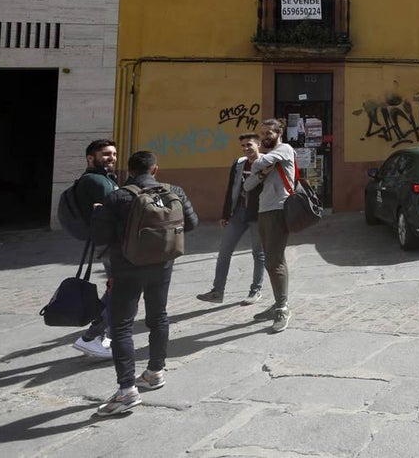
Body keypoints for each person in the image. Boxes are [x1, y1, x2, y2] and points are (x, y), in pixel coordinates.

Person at [90, 150, 198, 416]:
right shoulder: (175, 191)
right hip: (163, 264)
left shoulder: (118, 196)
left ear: (129, 171)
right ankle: (155, 372)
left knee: (122, 326)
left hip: (127, 266)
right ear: (155, 170)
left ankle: (126, 390)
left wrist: (99, 215)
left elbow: (100, 236)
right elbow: (192, 224)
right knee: (158, 316)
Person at [196, 133, 266, 305]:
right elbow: (231, 188)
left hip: (259, 214)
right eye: (243, 146)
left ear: (259, 145)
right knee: (224, 252)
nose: (246, 148)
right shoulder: (239, 164)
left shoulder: (267, 163)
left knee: (259, 254)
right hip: (239, 213)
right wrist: (225, 214)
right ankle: (217, 291)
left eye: (249, 145)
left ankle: (255, 291)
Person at [243, 118, 297, 333]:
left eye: (268, 133)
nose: (264, 136)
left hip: (279, 209)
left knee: (275, 261)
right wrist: (264, 170)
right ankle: (278, 302)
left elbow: (255, 164)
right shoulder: (270, 158)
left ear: (279, 132)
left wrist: (261, 166)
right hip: (264, 210)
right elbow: (248, 184)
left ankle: (283, 308)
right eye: (262, 133)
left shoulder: (284, 149)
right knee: (271, 260)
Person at [72, 139, 118, 360]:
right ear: (91, 158)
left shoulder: (103, 179)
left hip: (109, 242)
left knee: (116, 290)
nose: (112, 158)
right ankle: (89, 338)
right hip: (111, 244)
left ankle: (107, 335)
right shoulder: (96, 182)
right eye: (106, 154)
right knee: (120, 291)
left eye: (114, 154)